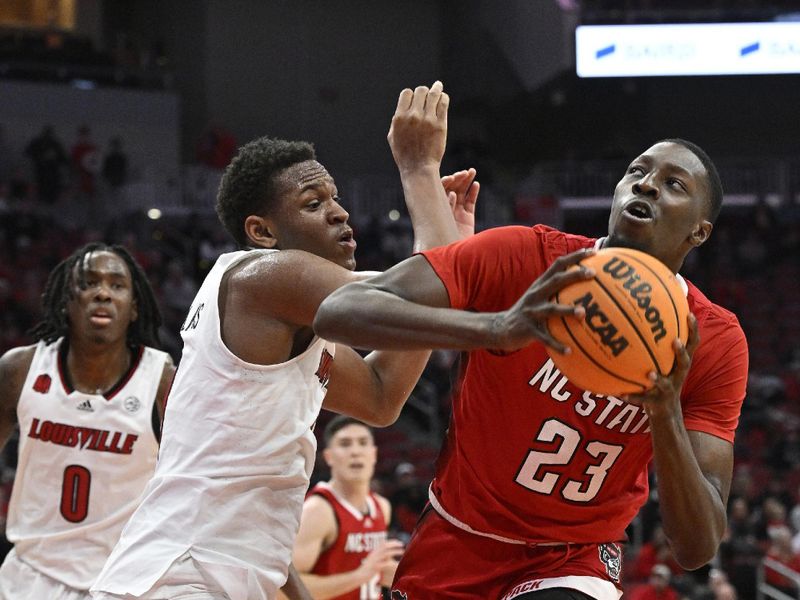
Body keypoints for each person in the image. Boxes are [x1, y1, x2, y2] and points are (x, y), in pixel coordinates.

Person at [314, 137, 749, 599]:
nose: (646, 186)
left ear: (698, 232)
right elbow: (338, 312)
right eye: (637, 172)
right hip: (457, 536)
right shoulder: (522, 257)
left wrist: (665, 413)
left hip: (573, 555)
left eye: (673, 184)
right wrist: (496, 328)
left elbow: (696, 547)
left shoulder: (713, 341)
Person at [91, 81, 475, 600]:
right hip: (180, 577)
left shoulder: (288, 320)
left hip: (206, 571)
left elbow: (382, 396)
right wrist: (418, 170)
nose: (339, 212)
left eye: (336, 198)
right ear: (263, 232)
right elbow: (432, 288)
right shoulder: (270, 277)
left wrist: (445, 248)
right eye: (314, 203)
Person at [0, 242, 175, 600]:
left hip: (125, 580)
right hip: (30, 578)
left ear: (134, 306)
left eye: (116, 285)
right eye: (89, 283)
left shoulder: (161, 380)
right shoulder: (20, 369)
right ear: (67, 300)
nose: (103, 294)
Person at [285, 415, 402, 599]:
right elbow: (283, 590)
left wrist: (392, 575)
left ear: (373, 453)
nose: (355, 451)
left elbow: (370, 571)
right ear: (328, 456)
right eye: (345, 444)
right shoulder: (318, 510)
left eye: (363, 443)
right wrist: (361, 576)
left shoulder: (382, 506)